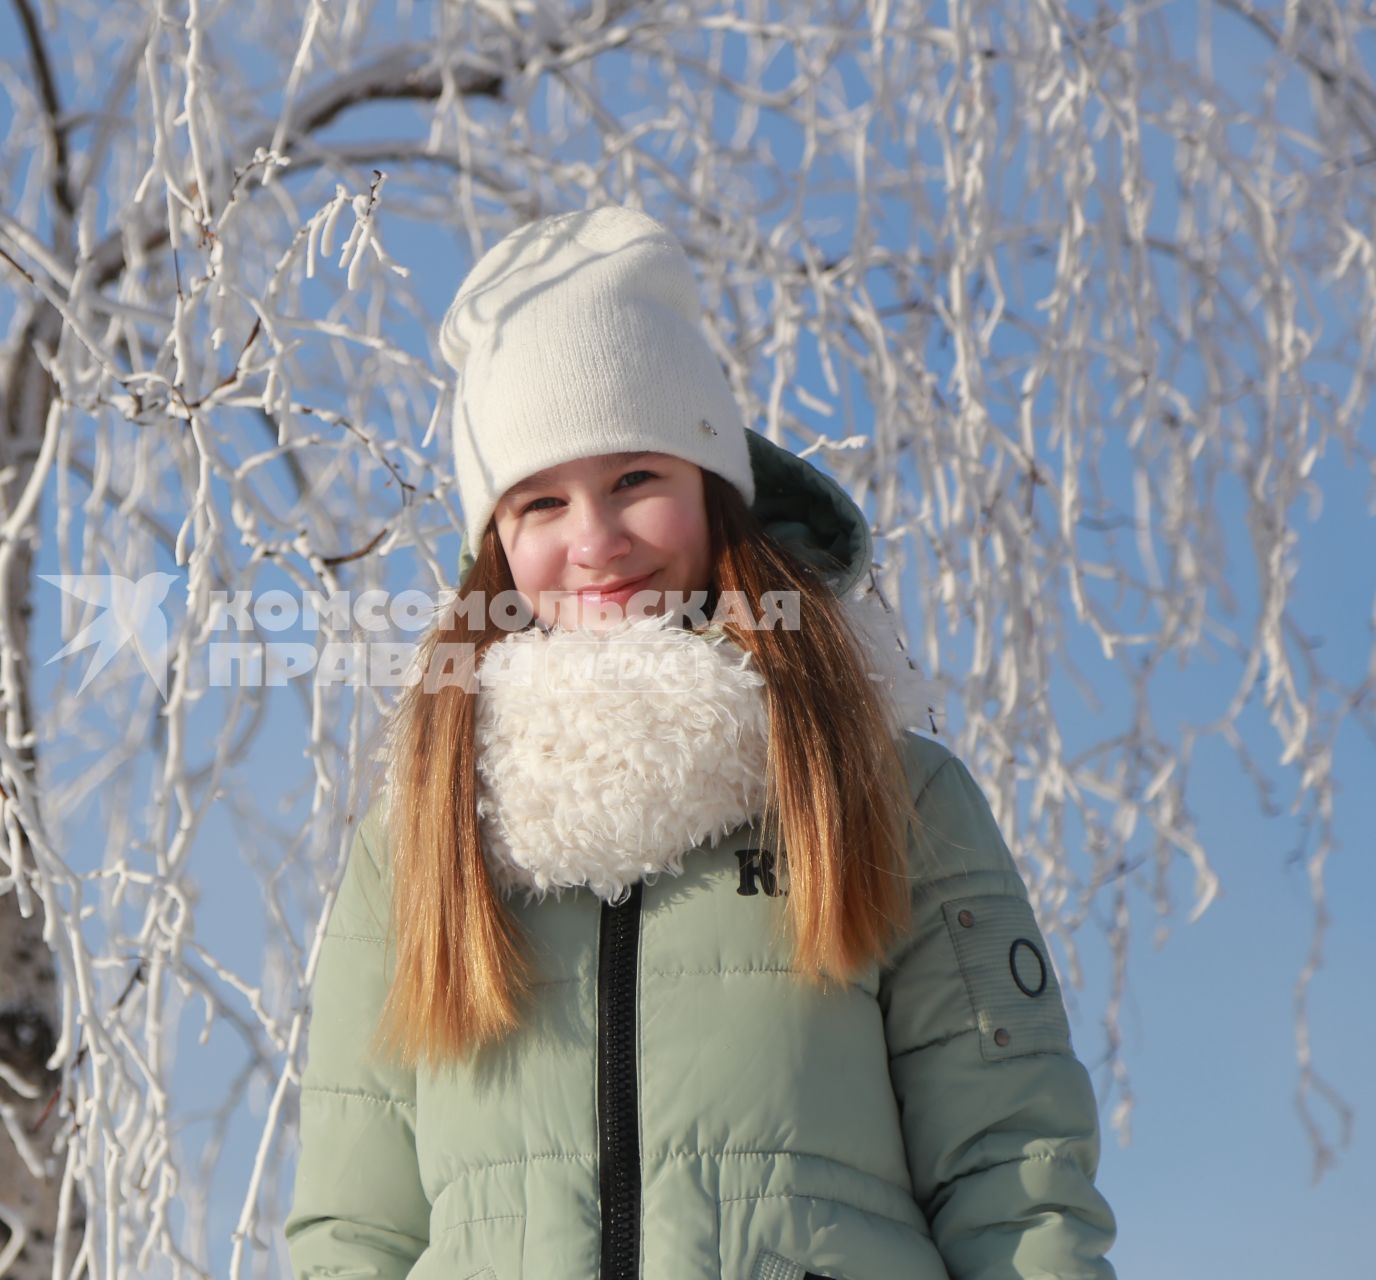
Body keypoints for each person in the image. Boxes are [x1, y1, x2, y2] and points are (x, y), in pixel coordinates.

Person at [283, 206, 1118, 1280]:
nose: (595, 540)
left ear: (714, 491)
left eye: (636, 478)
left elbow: (1015, 1172)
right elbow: (354, 1233)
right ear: (495, 546)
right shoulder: (420, 845)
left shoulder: (884, 791)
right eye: (541, 501)